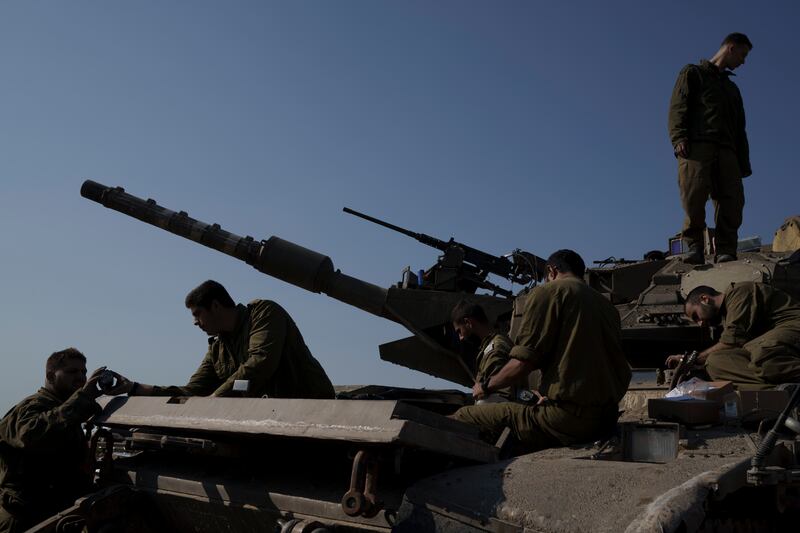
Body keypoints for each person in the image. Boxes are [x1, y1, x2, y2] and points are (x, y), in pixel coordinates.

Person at [452, 250, 631, 453]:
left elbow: (521, 364)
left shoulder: (548, 293)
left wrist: (485, 386)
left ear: (551, 271)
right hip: (605, 419)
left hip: (568, 422)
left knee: (463, 415)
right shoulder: (608, 307)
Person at [123, 280, 335, 399]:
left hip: (311, 409)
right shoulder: (217, 348)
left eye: (197, 314)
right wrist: (136, 388)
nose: (195, 322)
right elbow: (194, 390)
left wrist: (216, 399)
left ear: (215, 306)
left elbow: (261, 362)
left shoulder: (263, 313)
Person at [0, 348, 128, 533]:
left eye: (84, 372)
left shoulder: (65, 409)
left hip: (50, 513)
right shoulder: (33, 407)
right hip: (24, 519)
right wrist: (83, 398)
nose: (81, 378)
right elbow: (30, 435)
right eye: (72, 372)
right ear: (51, 376)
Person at [668, 33, 753, 264]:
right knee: (693, 197)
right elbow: (678, 107)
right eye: (743, 55)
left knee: (732, 201)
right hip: (697, 146)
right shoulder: (693, 73)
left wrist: (743, 164)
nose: (743, 61)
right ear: (731, 48)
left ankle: (725, 248)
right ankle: (694, 246)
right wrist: (678, 138)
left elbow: (740, 129)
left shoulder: (732, 89)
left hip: (728, 151)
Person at [666, 283, 800, 390]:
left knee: (762, 354)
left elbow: (731, 342)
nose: (700, 324)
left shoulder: (740, 292)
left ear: (705, 299)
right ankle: (779, 394)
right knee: (715, 362)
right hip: (774, 344)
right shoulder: (727, 316)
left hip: (793, 326)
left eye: (696, 316)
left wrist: (691, 360)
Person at [451, 300, 518, 402]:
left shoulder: (494, 348)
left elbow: (501, 398)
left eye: (459, 331)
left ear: (468, 322)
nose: (460, 337)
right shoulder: (492, 345)